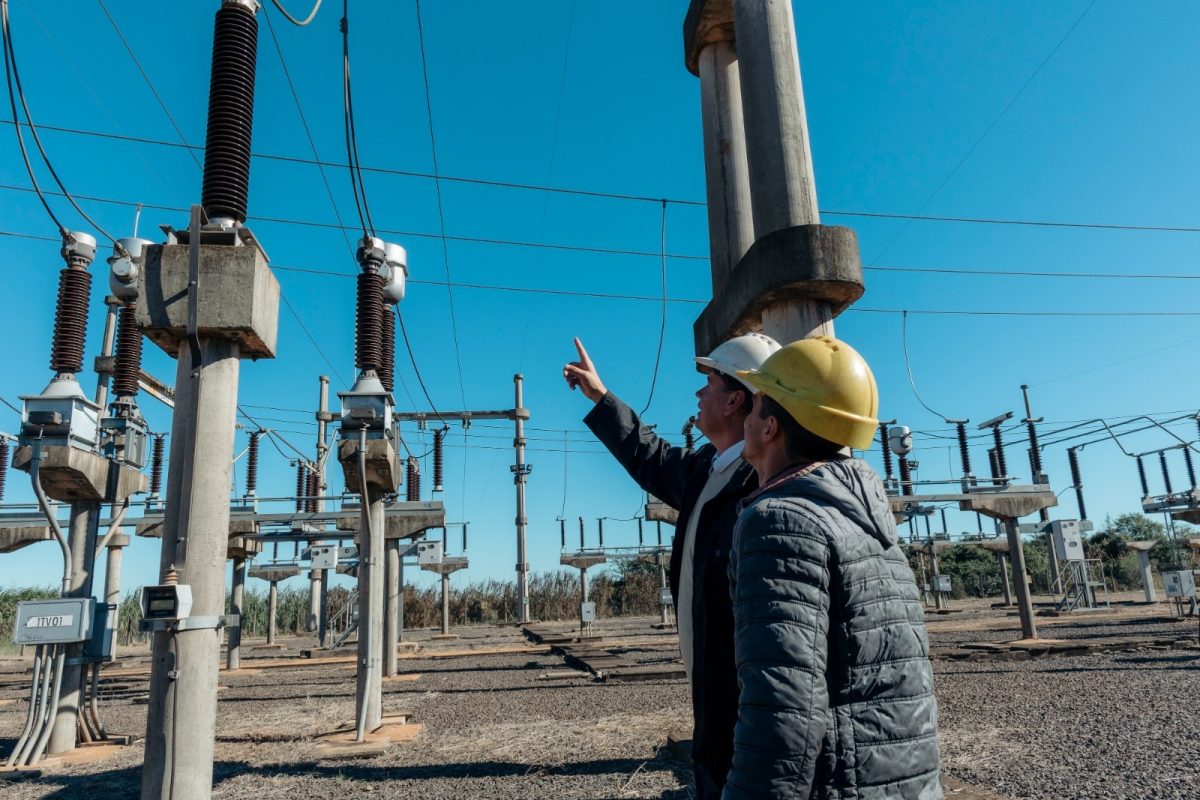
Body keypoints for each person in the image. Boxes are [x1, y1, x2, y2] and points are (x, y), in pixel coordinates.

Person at [563, 333, 780, 799]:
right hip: (710, 676)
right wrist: (601, 397)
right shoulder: (710, 468)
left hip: (741, 680)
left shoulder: (759, 483)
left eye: (709, 384)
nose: (699, 394)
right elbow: (649, 456)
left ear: (734, 400)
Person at [726, 336, 942, 799]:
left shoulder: (779, 521)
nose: (745, 417)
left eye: (756, 405)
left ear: (769, 428)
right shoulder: (870, 518)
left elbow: (783, 709)